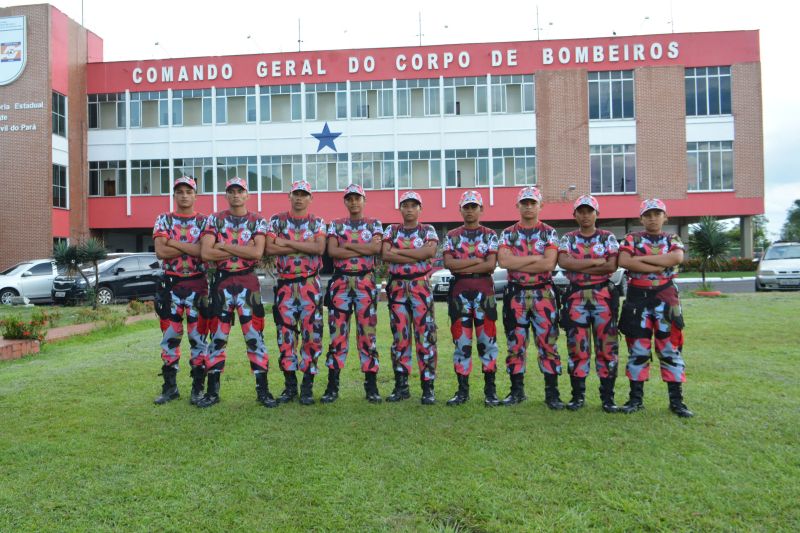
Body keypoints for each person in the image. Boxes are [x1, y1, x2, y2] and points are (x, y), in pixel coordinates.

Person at [198, 177, 274, 408]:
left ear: (247, 195)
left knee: (255, 336)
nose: (236, 195)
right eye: (231, 191)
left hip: (248, 282)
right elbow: (206, 254)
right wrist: (242, 249)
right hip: (221, 283)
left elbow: (257, 254)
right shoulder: (214, 219)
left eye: (240, 191)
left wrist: (223, 246)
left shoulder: (257, 221)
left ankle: (263, 391)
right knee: (217, 337)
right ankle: (212, 392)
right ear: (226, 195)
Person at [617, 199, 693, 417]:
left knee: (670, 348)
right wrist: (660, 262)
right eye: (648, 215)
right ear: (641, 218)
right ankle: (635, 399)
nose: (652, 218)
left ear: (665, 217)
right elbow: (624, 261)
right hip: (637, 298)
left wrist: (641, 259)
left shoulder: (672, 238)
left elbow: (676, 257)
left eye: (657, 214)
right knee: (637, 348)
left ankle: (677, 401)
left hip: (665, 297)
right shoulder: (632, 238)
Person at [497, 186, 564, 408]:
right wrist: (536, 258)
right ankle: (517, 391)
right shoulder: (508, 233)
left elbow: (549, 263)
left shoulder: (549, 232)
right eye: (524, 203)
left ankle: (552, 393)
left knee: (548, 342)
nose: (528, 206)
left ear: (540, 205)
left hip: (543, 293)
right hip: (515, 293)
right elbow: (504, 262)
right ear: (517, 205)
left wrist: (519, 261)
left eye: (532, 202)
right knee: (515, 342)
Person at [557, 194, 621, 412]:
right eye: (581, 212)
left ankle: (608, 398)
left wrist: (578, 264)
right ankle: (578, 396)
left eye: (589, 211)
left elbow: (611, 266)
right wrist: (596, 262)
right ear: (574, 215)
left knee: (607, 347)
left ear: (597, 214)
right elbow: (564, 262)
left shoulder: (607, 237)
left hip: (603, 296)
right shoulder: (568, 238)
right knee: (577, 347)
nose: (585, 215)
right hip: (576, 297)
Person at [265, 180, 327, 406]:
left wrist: (285, 242)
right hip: (285, 284)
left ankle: (307, 386)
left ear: (310, 198)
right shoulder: (276, 220)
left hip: (310, 284)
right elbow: (269, 248)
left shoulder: (318, 222)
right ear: (289, 196)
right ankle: (290, 385)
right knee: (285, 335)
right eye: (296, 194)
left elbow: (319, 248)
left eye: (304, 194)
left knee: (312, 335)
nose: (299, 198)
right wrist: (304, 244)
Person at [321, 183, 384, 404]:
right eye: (350, 198)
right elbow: (332, 251)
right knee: (337, 334)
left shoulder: (374, 224)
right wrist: (362, 247)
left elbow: (375, 249)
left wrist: (346, 246)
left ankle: (371, 386)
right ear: (345, 202)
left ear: (364, 200)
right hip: (341, 281)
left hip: (365, 281)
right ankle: (332, 386)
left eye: (358, 198)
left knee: (368, 334)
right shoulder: (336, 224)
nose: (354, 202)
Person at [152, 176, 209, 405]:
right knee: (169, 337)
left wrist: (173, 242)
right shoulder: (163, 219)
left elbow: (203, 252)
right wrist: (191, 247)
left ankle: (198, 389)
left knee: (198, 337)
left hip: (197, 284)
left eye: (189, 191)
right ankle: (170, 388)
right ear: (174, 195)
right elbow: (161, 252)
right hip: (170, 285)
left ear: (195, 195)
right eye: (180, 191)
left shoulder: (205, 221)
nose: (184, 195)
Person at [442, 190, 501, 407]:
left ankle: (490, 391)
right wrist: (477, 261)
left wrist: (464, 264)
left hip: (484, 292)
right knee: (461, 341)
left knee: (488, 341)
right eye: (466, 207)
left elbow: (490, 265)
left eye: (473, 206)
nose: (470, 210)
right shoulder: (452, 235)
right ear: (460, 210)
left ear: (481, 209)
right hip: (460, 293)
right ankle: (462, 391)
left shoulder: (490, 234)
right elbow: (449, 264)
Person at [381, 191, 439, 404]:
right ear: (400, 208)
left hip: (420, 286)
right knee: (400, 337)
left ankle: (428, 387)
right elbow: (385, 254)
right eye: (405, 205)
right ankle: (401, 386)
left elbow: (428, 253)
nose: (409, 209)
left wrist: (398, 253)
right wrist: (416, 253)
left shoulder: (428, 230)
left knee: (426, 336)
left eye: (414, 205)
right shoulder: (392, 230)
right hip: (397, 287)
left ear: (420, 209)